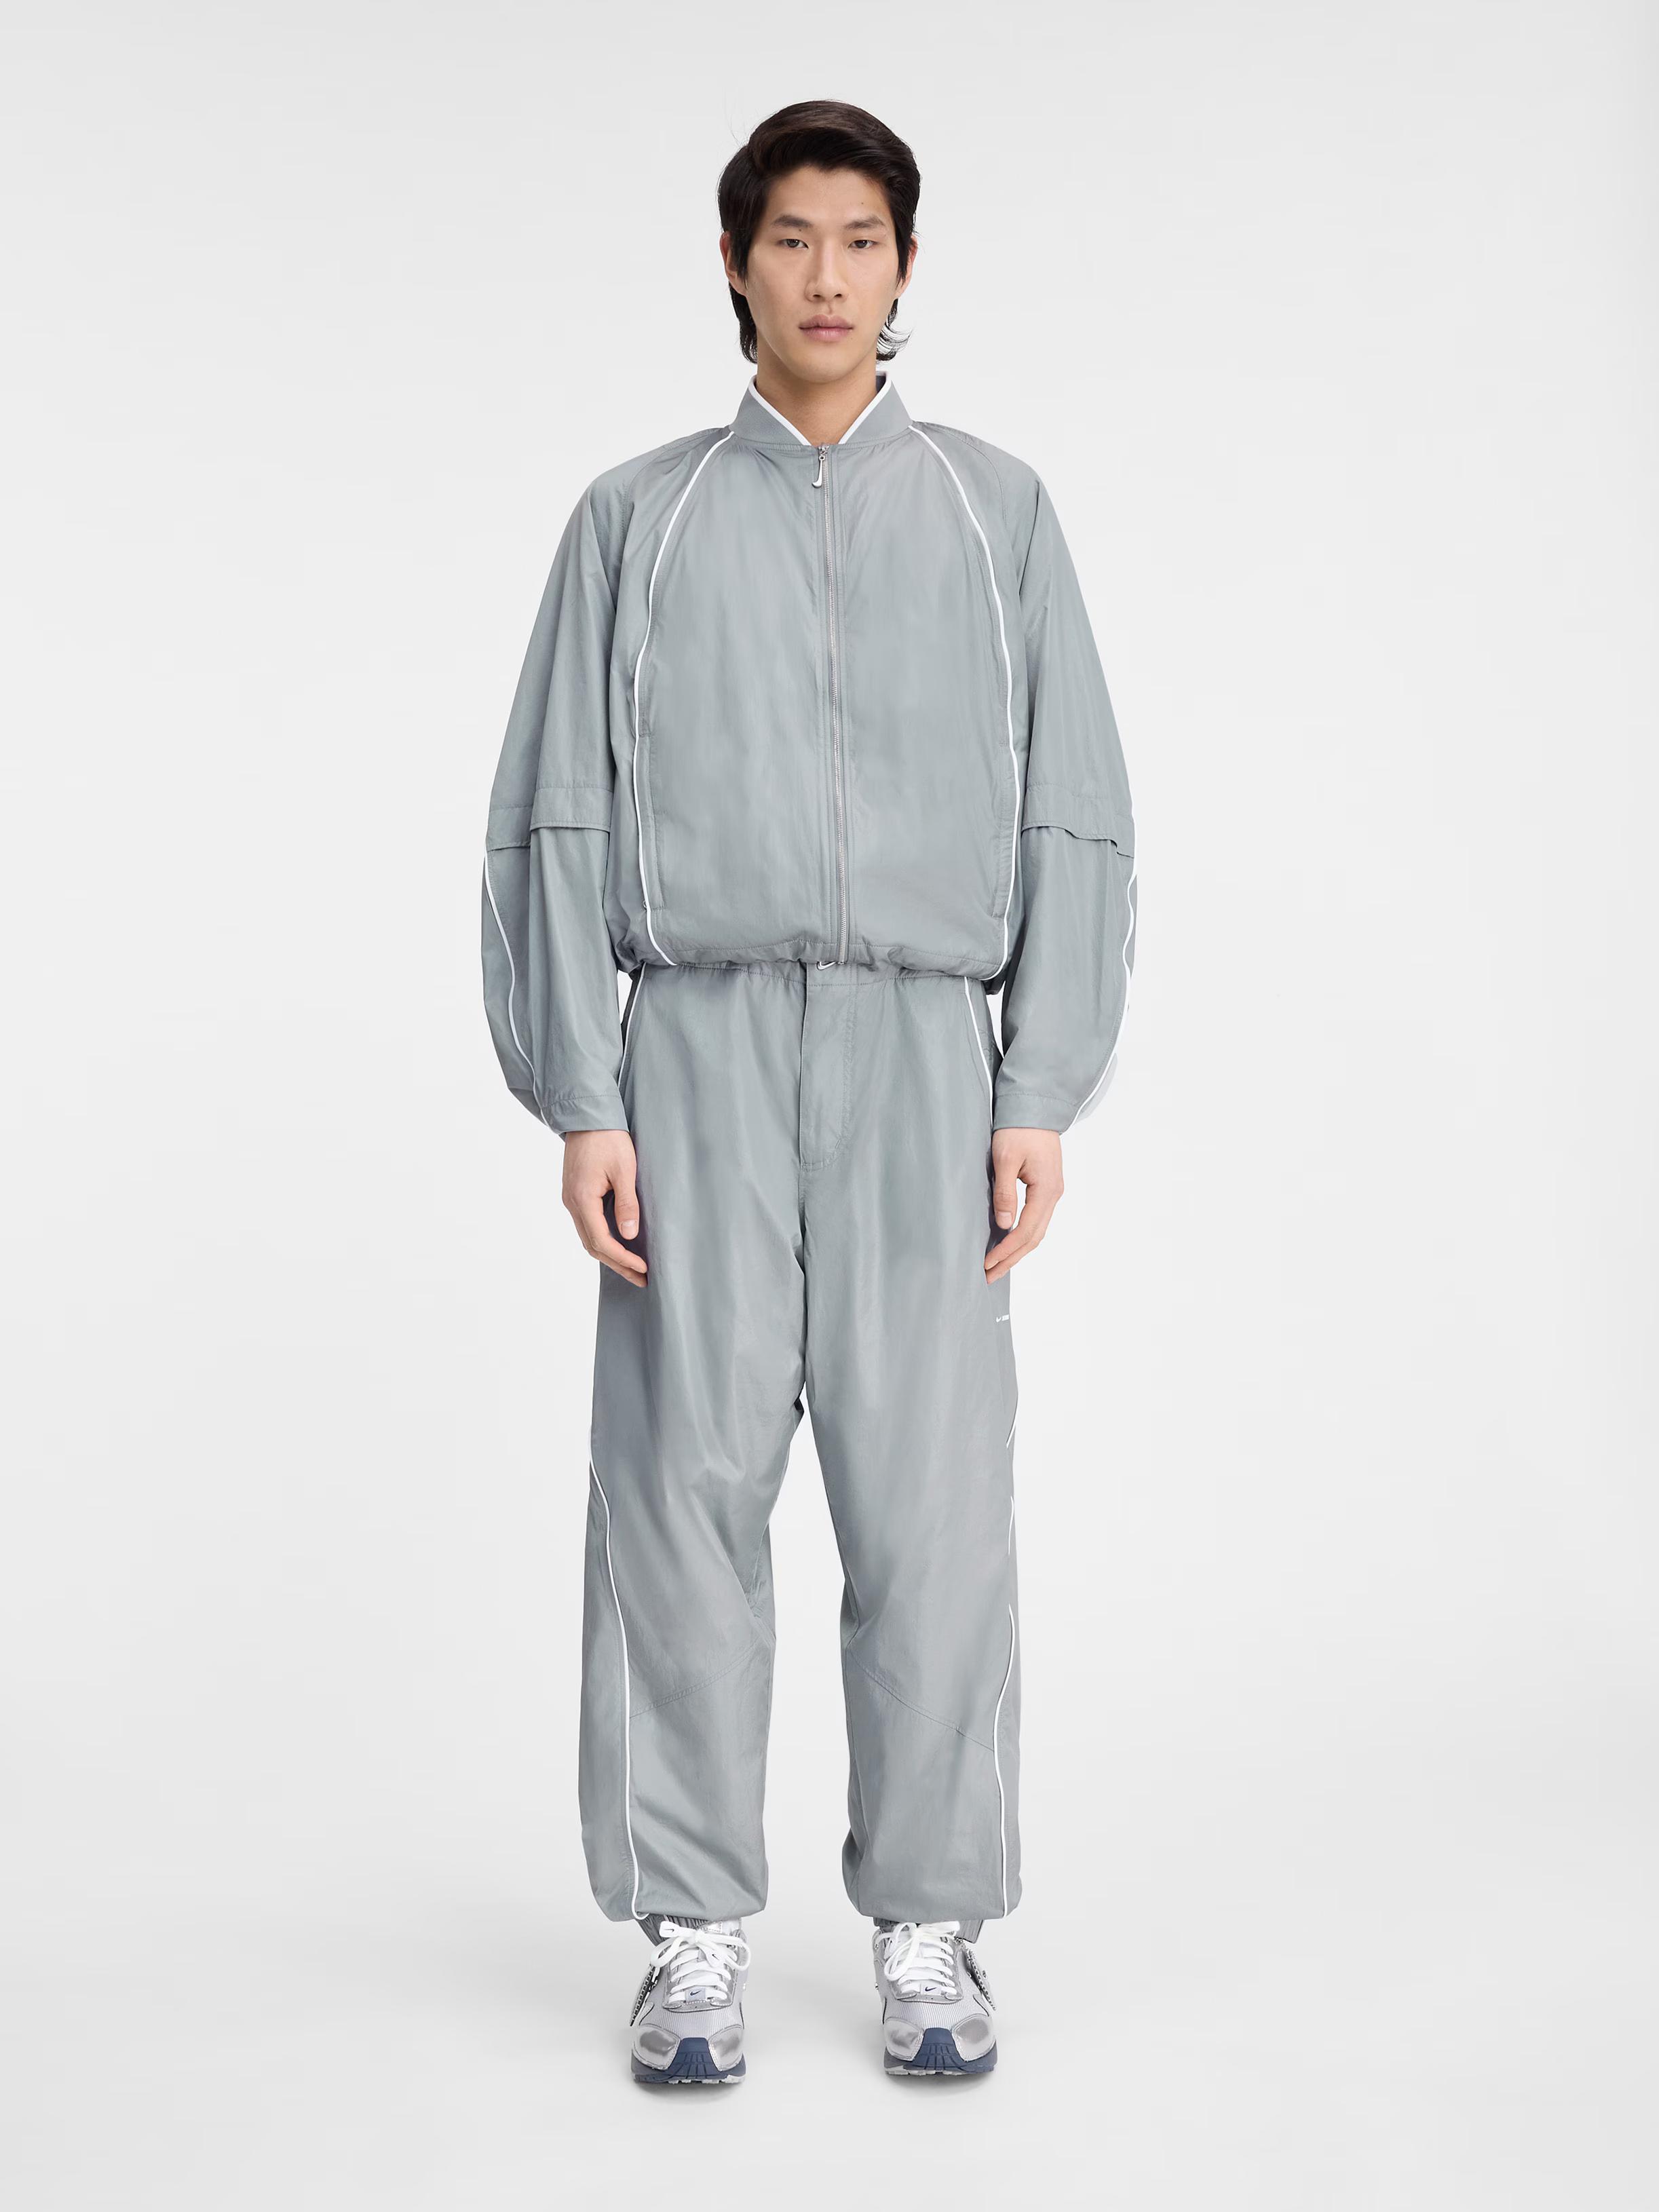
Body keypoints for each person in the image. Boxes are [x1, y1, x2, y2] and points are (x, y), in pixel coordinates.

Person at [482, 98, 1136, 2084]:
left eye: (862, 240)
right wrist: (583, 1095)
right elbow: (555, 811)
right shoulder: (637, 518)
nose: (828, 276)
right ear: (735, 262)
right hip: (689, 1050)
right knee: (680, 1493)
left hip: (928, 1055)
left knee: (932, 1504)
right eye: (792, 238)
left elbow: (1076, 807)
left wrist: (1040, 1085)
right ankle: (690, 1931)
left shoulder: (999, 513)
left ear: (906, 266)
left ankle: (930, 1922)